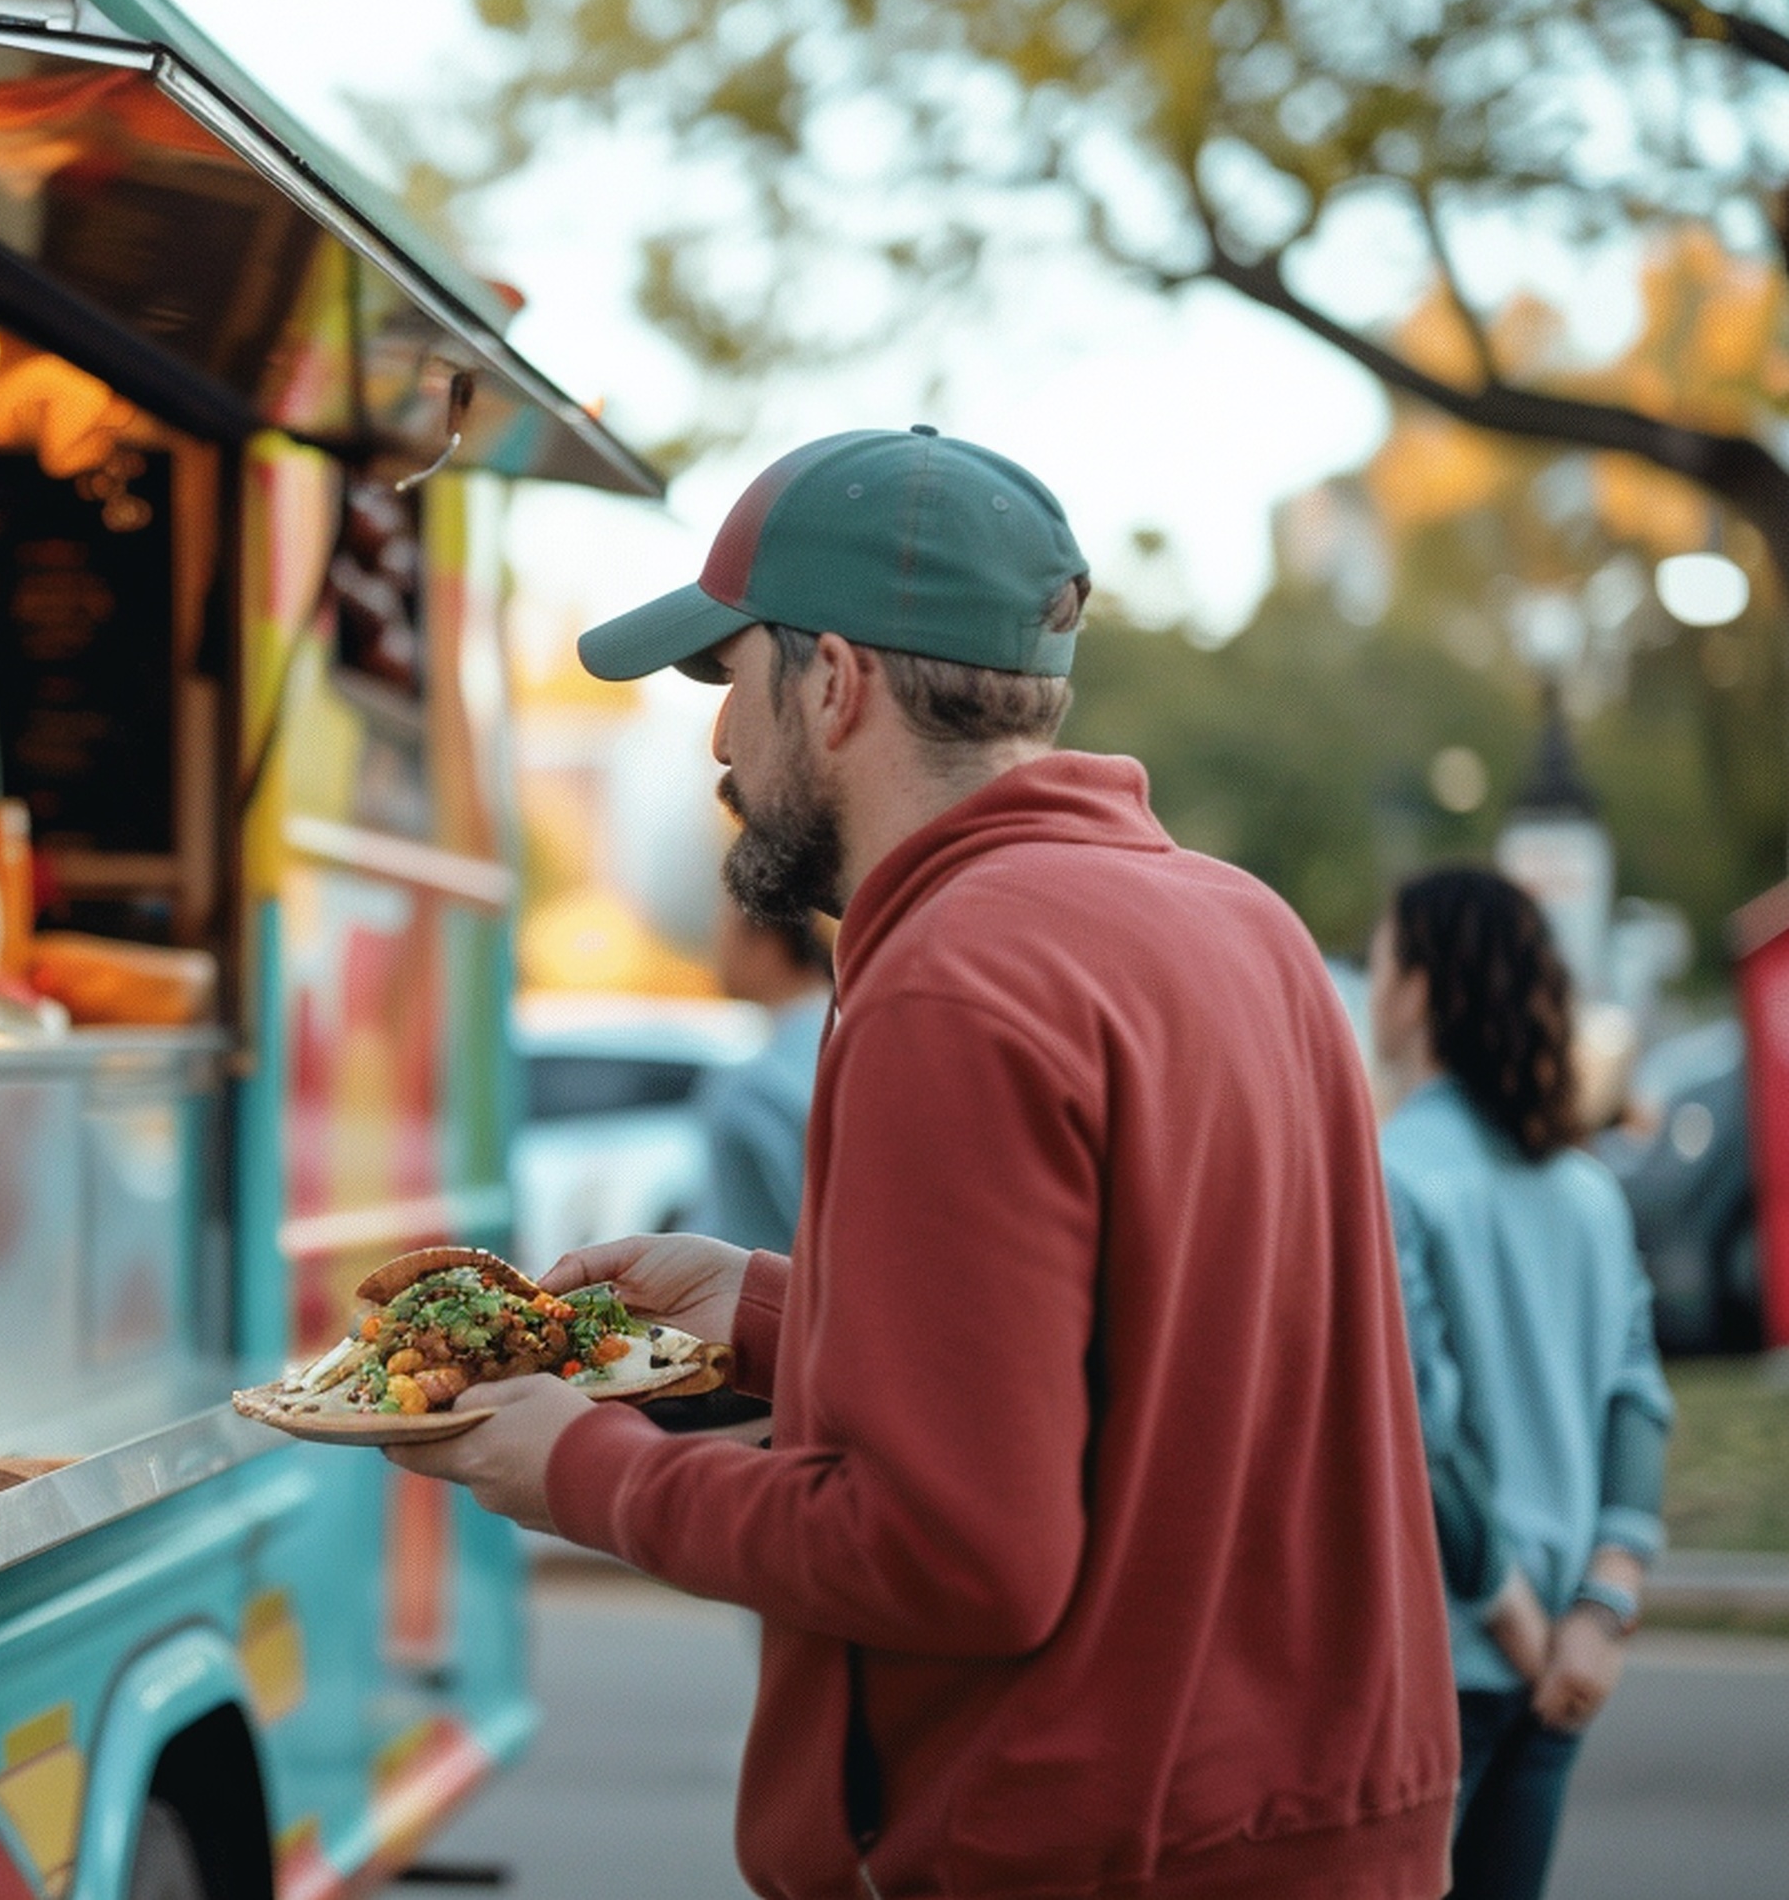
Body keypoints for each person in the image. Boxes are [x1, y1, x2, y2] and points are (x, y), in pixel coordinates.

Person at [395, 426, 1458, 1900]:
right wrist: (770, 1311)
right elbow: (1156, 1363)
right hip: (1312, 1828)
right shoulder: (1240, 922)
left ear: (834, 682)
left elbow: (952, 1552)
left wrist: (582, 1471)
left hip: (1098, 1853)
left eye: (729, 681)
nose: (714, 745)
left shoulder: (956, 980)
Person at [1371, 866, 1673, 1900]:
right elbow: (1635, 1390)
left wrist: (1513, 1619)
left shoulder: (1389, 1172)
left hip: (1448, 1657)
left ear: (1417, 986)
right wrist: (1600, 1606)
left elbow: (1420, 1417)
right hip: (1566, 1666)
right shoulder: (1589, 1191)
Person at [698, 897, 833, 1254]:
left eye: (724, 932)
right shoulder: (856, 1031)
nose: (716, 951)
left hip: (757, 1297)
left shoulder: (756, 1087)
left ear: (766, 940)